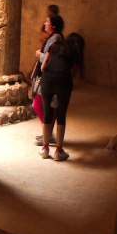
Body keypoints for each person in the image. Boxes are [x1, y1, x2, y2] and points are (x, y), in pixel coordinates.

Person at [38, 28, 82, 162]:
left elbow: (43, 67)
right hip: (64, 82)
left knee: (47, 115)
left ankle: (45, 149)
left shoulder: (54, 46)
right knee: (61, 116)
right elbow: (74, 74)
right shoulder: (74, 52)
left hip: (47, 81)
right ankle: (59, 151)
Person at [31, 12, 65, 146]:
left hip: (49, 78)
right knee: (48, 106)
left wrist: (39, 54)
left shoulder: (55, 38)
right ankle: (48, 133)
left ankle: (48, 134)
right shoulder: (54, 37)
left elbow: (49, 58)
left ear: (53, 25)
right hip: (51, 77)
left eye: (47, 21)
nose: (45, 23)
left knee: (38, 105)